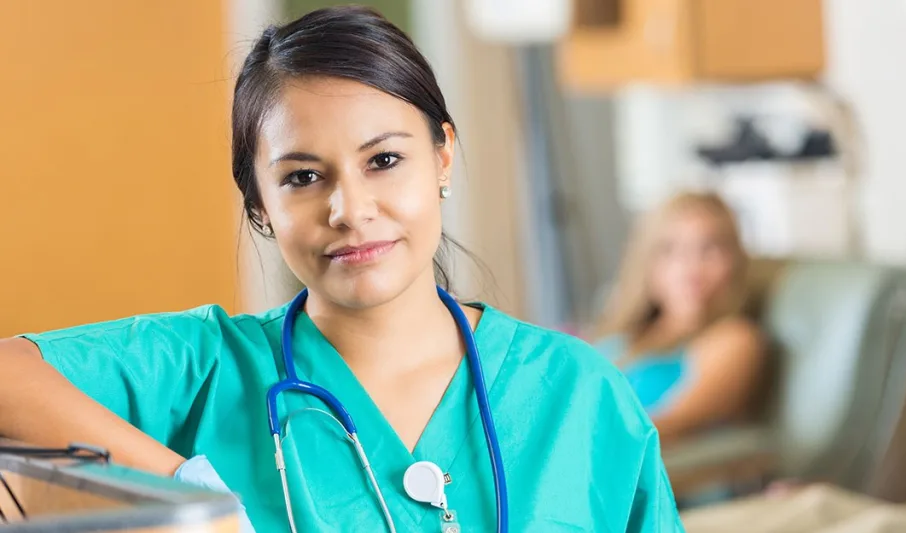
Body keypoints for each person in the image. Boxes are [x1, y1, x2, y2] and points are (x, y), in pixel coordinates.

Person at [0, 7, 683, 532]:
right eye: (302, 176)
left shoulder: (578, 392)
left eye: (384, 160)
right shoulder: (205, 368)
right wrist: (190, 493)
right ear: (261, 205)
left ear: (443, 155)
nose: (350, 210)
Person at [591, 192, 766, 443]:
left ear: (734, 262)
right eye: (670, 250)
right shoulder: (622, 336)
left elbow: (664, 427)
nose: (690, 266)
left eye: (709, 248)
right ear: (647, 263)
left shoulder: (733, 340)